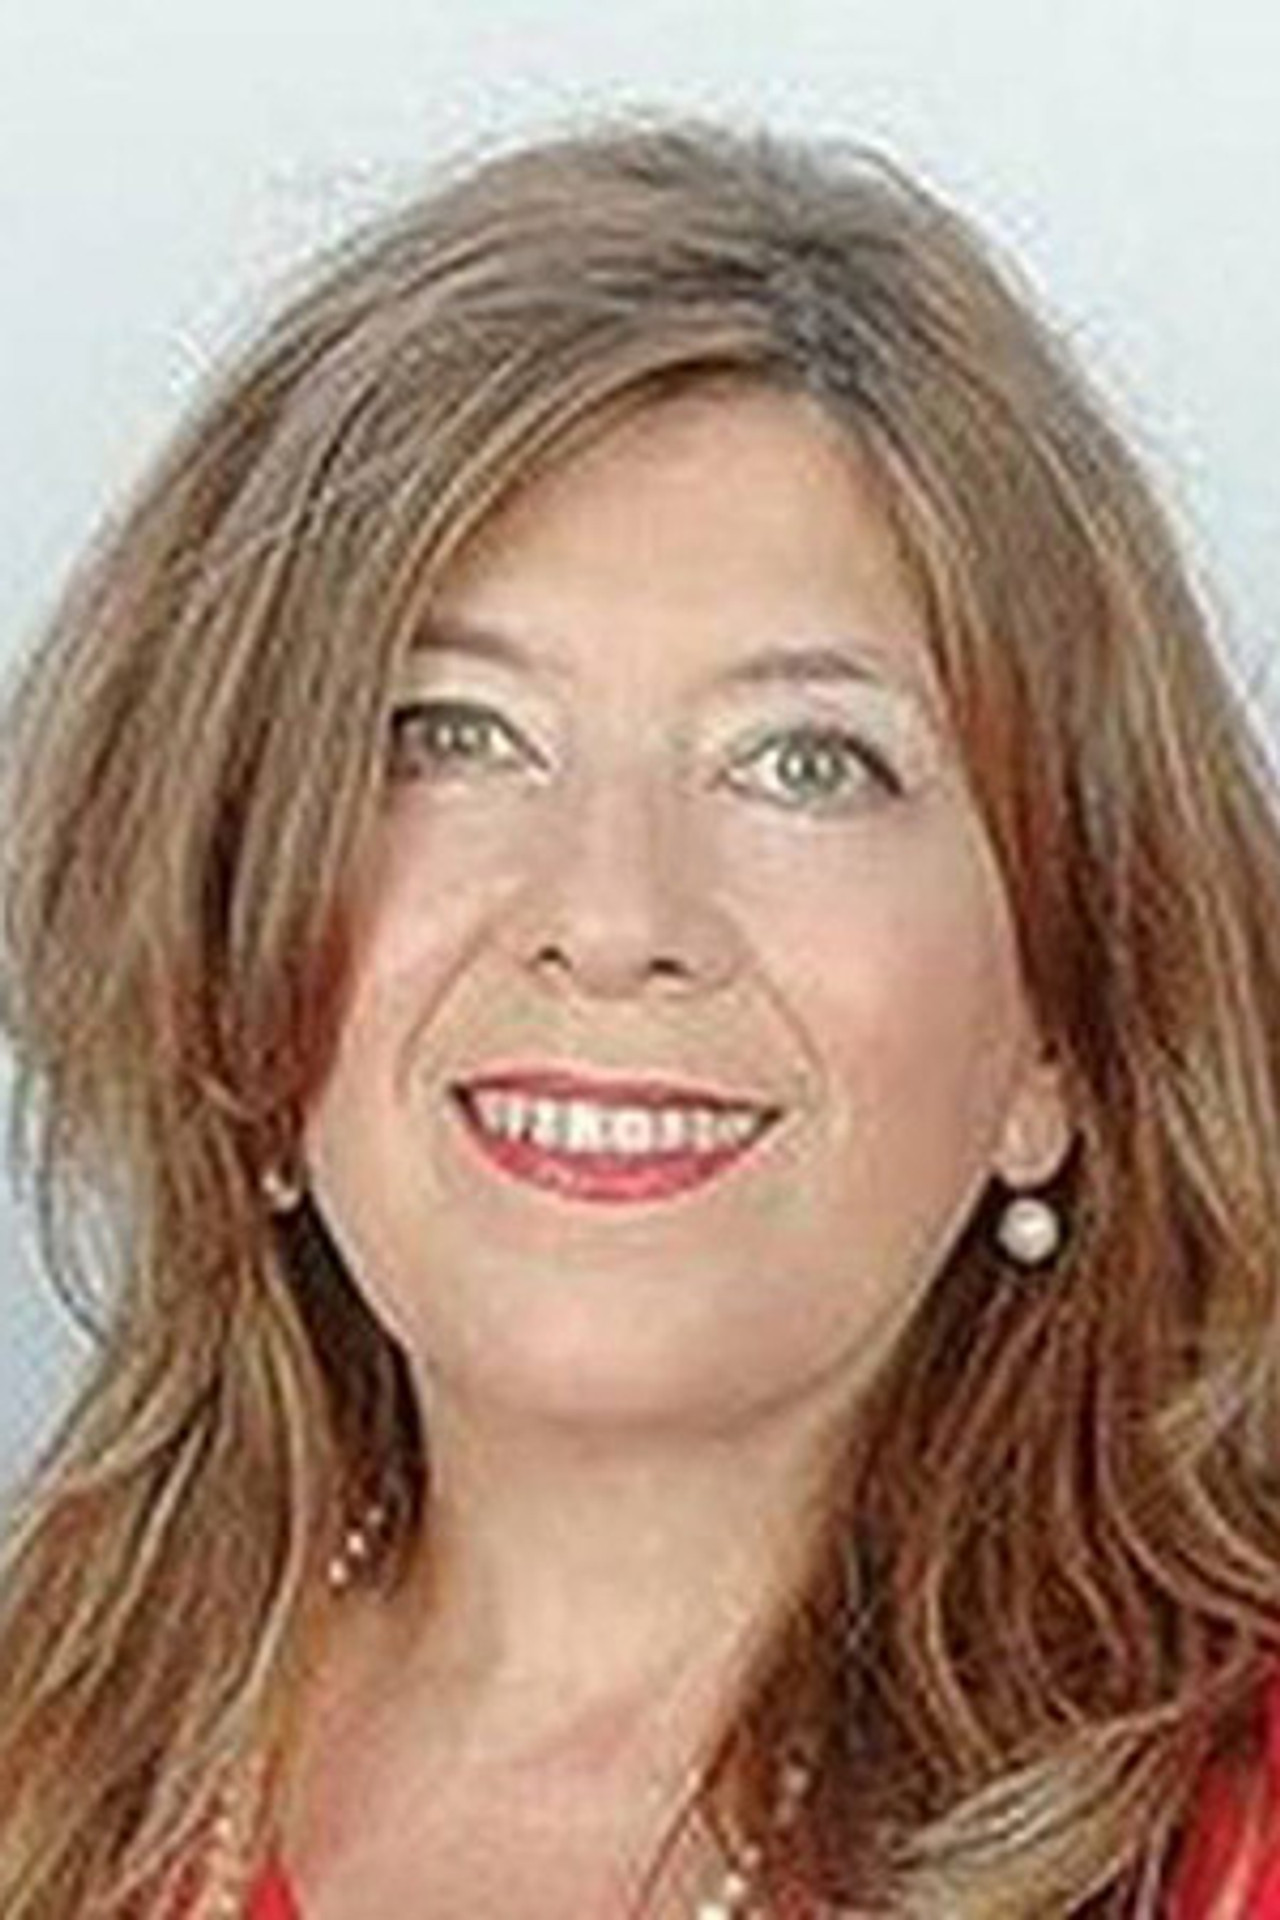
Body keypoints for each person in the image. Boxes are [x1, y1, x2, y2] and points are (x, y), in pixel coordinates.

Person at [2, 111, 1280, 1920]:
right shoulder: (45, 1752)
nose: (612, 921)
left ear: (1062, 1027)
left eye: (805, 762)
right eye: (451, 735)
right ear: (230, 920)